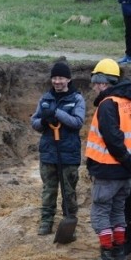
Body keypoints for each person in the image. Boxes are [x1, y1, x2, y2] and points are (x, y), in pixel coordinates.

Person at [85, 58, 131, 260]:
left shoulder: (107, 105)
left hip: (108, 168)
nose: (95, 86)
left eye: (96, 81)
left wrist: (126, 158)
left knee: (101, 212)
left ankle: (107, 258)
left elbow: (112, 139)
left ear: (104, 82)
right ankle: (120, 254)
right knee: (117, 212)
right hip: (126, 172)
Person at [31, 62, 86, 236]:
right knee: (49, 190)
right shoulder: (45, 99)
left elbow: (77, 122)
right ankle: (46, 221)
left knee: (69, 191)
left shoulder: (77, 99)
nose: (57, 81)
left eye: (61, 78)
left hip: (68, 153)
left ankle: (69, 220)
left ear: (68, 79)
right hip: (48, 153)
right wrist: (43, 121)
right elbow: (35, 123)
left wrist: (57, 113)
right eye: (54, 78)